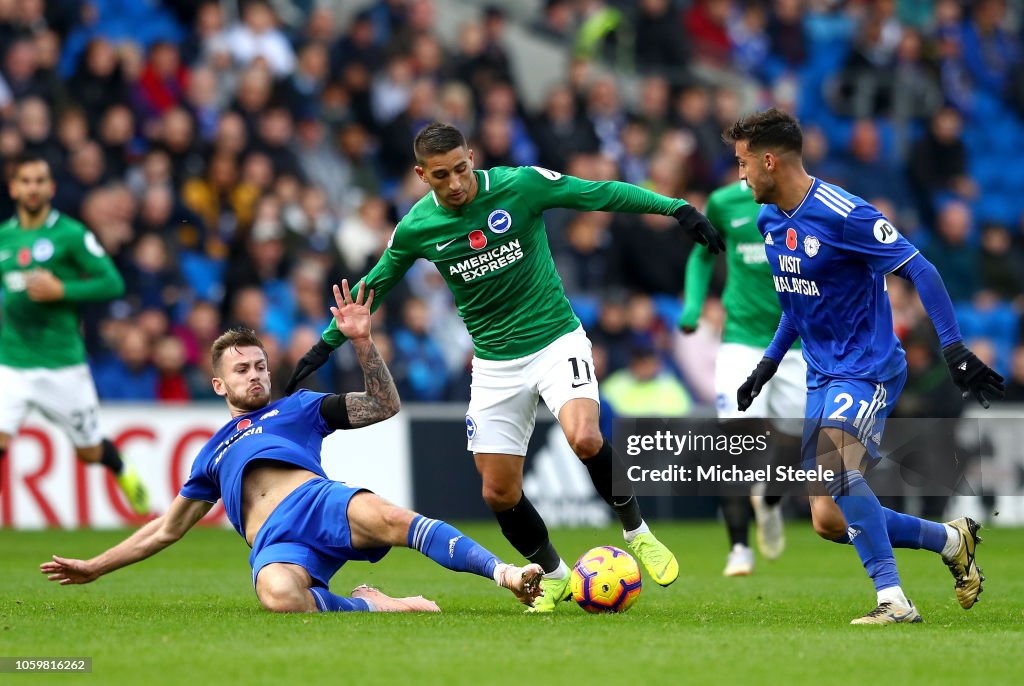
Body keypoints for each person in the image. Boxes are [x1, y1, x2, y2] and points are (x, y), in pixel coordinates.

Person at [286, 121, 726, 612]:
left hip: (556, 340)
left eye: (460, 169)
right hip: (494, 364)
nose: (454, 183)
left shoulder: (520, 185)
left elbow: (598, 192)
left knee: (584, 437)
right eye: (440, 176)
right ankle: (557, 576)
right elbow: (374, 285)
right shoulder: (416, 226)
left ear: (471, 157)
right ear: (420, 174)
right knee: (498, 491)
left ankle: (637, 532)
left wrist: (677, 208)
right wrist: (326, 345)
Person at [41, 280, 544, 613]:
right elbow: (164, 531)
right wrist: (94, 566)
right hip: (276, 544)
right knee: (280, 598)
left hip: (319, 503)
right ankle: (381, 605)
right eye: (242, 369)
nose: (255, 375)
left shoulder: (298, 407)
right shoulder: (212, 453)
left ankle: (506, 574)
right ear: (219, 385)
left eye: (260, 365)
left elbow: (384, 405)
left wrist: (363, 342)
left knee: (395, 520)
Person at [725, 108, 1003, 624]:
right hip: (820, 372)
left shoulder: (845, 213)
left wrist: (954, 349)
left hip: (867, 368)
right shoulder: (769, 220)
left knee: (836, 471)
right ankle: (949, 540)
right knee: (829, 518)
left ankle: (893, 600)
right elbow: (796, 302)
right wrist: (766, 364)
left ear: (769, 160)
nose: (740, 176)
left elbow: (921, 267)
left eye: (743, 164)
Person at [0, 153, 148, 514]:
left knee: (89, 451)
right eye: (25, 181)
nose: (32, 188)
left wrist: (62, 291)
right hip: (11, 361)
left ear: (50, 188)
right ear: (14, 188)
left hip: (62, 363)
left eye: (39, 181)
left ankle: (120, 467)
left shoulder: (70, 234)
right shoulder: (4, 237)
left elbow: (112, 283)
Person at [679, 179, 805, 577]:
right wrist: (693, 305)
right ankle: (738, 547)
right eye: (740, 159)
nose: (744, 167)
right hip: (742, 340)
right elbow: (702, 254)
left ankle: (768, 502)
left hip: (798, 344)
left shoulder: (806, 200)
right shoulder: (722, 202)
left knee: (797, 440)